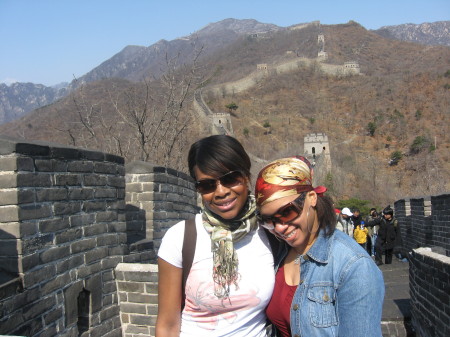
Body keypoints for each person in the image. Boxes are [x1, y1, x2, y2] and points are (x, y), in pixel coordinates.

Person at [155, 135, 276, 337]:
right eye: (207, 185)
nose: (220, 192)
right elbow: (167, 326)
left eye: (230, 179)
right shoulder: (180, 238)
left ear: (246, 176)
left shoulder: (270, 232)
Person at [255, 156, 384, 337]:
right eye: (268, 220)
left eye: (287, 212)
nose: (279, 228)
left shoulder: (354, 266)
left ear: (312, 198)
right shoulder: (279, 252)